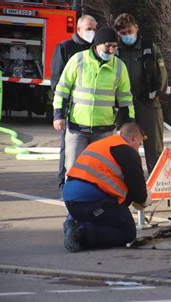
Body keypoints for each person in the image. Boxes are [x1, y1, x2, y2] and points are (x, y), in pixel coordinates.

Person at [53, 26, 135, 176]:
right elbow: (62, 89)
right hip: (77, 128)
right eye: (108, 45)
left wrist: (129, 122)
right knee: (73, 169)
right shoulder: (78, 60)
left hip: (104, 129)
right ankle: (72, 198)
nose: (111, 50)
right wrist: (58, 114)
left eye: (114, 46)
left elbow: (125, 97)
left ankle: (96, 199)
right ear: (97, 44)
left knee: (101, 171)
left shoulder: (119, 66)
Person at [62, 122, 151, 252]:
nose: (138, 148)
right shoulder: (127, 151)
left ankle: (76, 223)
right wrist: (144, 200)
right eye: (140, 144)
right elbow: (139, 192)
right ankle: (81, 233)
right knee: (127, 232)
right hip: (90, 202)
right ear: (134, 138)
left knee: (114, 214)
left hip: (71, 201)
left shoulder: (102, 145)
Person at [113, 13, 168, 174]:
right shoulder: (115, 50)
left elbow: (161, 73)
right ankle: (129, 184)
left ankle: (155, 185)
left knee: (154, 147)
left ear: (136, 28)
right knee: (123, 148)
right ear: (118, 34)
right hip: (123, 107)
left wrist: (158, 94)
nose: (127, 35)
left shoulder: (149, 47)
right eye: (123, 33)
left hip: (148, 104)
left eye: (130, 31)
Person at [51, 15, 97, 190]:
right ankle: (63, 182)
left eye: (94, 28)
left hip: (90, 111)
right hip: (71, 109)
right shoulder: (65, 48)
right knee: (68, 148)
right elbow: (57, 82)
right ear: (78, 30)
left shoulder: (95, 49)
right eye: (88, 28)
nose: (91, 32)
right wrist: (61, 111)